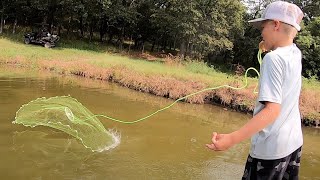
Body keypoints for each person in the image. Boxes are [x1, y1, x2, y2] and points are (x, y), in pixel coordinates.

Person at [206, 1, 304, 179]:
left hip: (269, 152)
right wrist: (270, 45)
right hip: (292, 145)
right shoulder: (295, 53)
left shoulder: (273, 59)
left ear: (276, 24)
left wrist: (231, 139)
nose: (261, 32)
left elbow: (272, 111)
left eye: (263, 27)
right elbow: (283, 48)